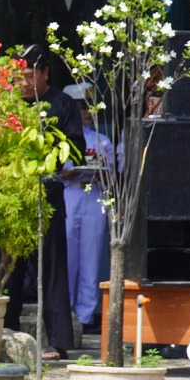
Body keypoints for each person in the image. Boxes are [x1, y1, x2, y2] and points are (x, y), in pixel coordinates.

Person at [1, 45, 85, 359]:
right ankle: (5, 333)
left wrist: (50, 161)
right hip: (11, 196)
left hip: (48, 195)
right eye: (18, 77)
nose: (22, 82)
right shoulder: (6, 105)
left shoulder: (62, 104)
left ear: (45, 72)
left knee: (51, 268)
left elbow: (75, 150)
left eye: (29, 75)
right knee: (8, 267)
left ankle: (59, 341)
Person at [63, 83, 112, 334]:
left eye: (90, 106)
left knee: (91, 258)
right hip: (70, 193)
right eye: (82, 106)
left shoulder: (101, 140)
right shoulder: (62, 137)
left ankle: (85, 314)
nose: (87, 111)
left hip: (94, 194)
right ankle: (65, 312)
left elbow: (114, 173)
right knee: (67, 255)